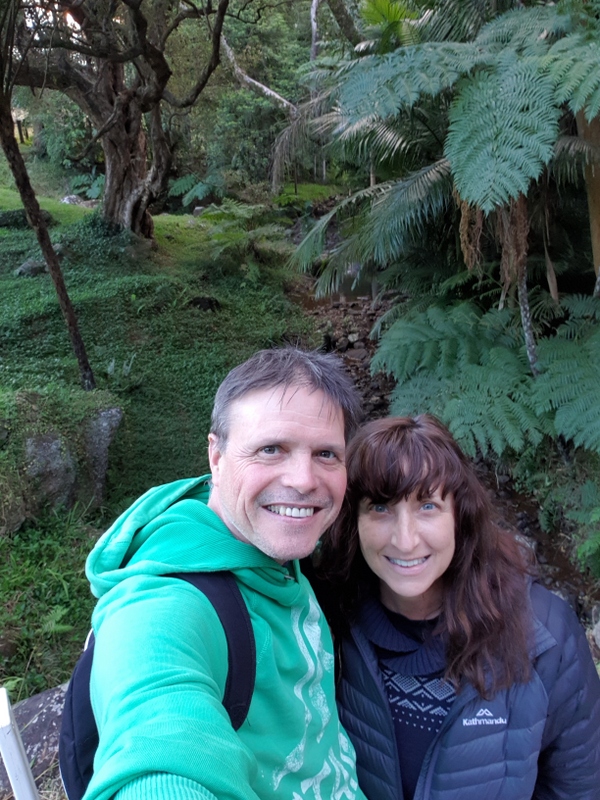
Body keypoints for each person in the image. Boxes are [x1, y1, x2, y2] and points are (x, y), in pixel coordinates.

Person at [82, 347, 368, 800]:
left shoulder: (277, 545)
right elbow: (156, 746)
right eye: (271, 449)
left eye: (326, 454)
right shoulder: (168, 602)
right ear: (216, 456)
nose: (304, 480)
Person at [314, 415, 600, 800]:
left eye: (428, 507)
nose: (405, 540)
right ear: (354, 520)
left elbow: (580, 786)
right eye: (380, 508)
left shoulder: (546, 636)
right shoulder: (325, 617)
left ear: (460, 517)